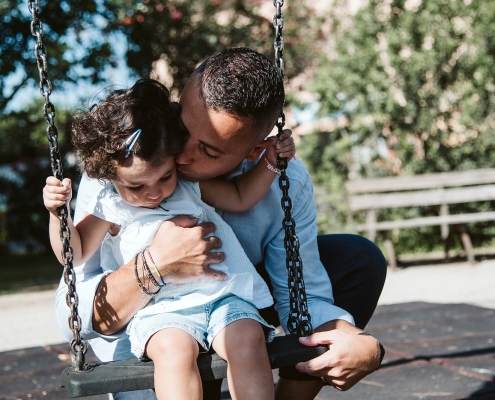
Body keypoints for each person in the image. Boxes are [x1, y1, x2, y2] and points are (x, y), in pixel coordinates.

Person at [55, 48, 387, 400]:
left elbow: (301, 295)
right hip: (154, 324)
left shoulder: (282, 180)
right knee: (175, 358)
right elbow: (72, 313)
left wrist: (360, 342)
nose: (180, 157)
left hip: (229, 302)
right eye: (181, 129)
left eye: (209, 151)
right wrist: (155, 266)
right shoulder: (128, 167)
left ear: (255, 150)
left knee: (356, 259)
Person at [45, 79, 296, 399]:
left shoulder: (187, 185)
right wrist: (58, 214)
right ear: (110, 177)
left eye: (164, 176)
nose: (153, 191)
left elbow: (241, 196)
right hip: (161, 310)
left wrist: (271, 162)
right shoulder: (110, 207)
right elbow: (74, 254)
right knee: (172, 351)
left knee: (247, 338)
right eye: (137, 186)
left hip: (222, 294)